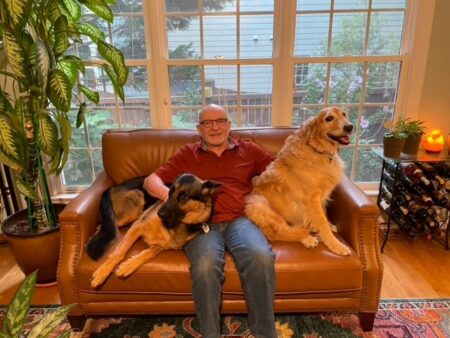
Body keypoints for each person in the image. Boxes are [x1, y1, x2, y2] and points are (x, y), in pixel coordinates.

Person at [143, 104, 277, 338]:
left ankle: (265, 333)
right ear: (199, 129)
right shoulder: (187, 154)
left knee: (261, 257)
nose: (215, 127)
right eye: (207, 123)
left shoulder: (249, 149)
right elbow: (150, 180)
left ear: (229, 125)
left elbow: (281, 169)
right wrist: (171, 199)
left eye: (220, 121)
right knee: (205, 266)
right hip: (200, 225)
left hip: (240, 220)